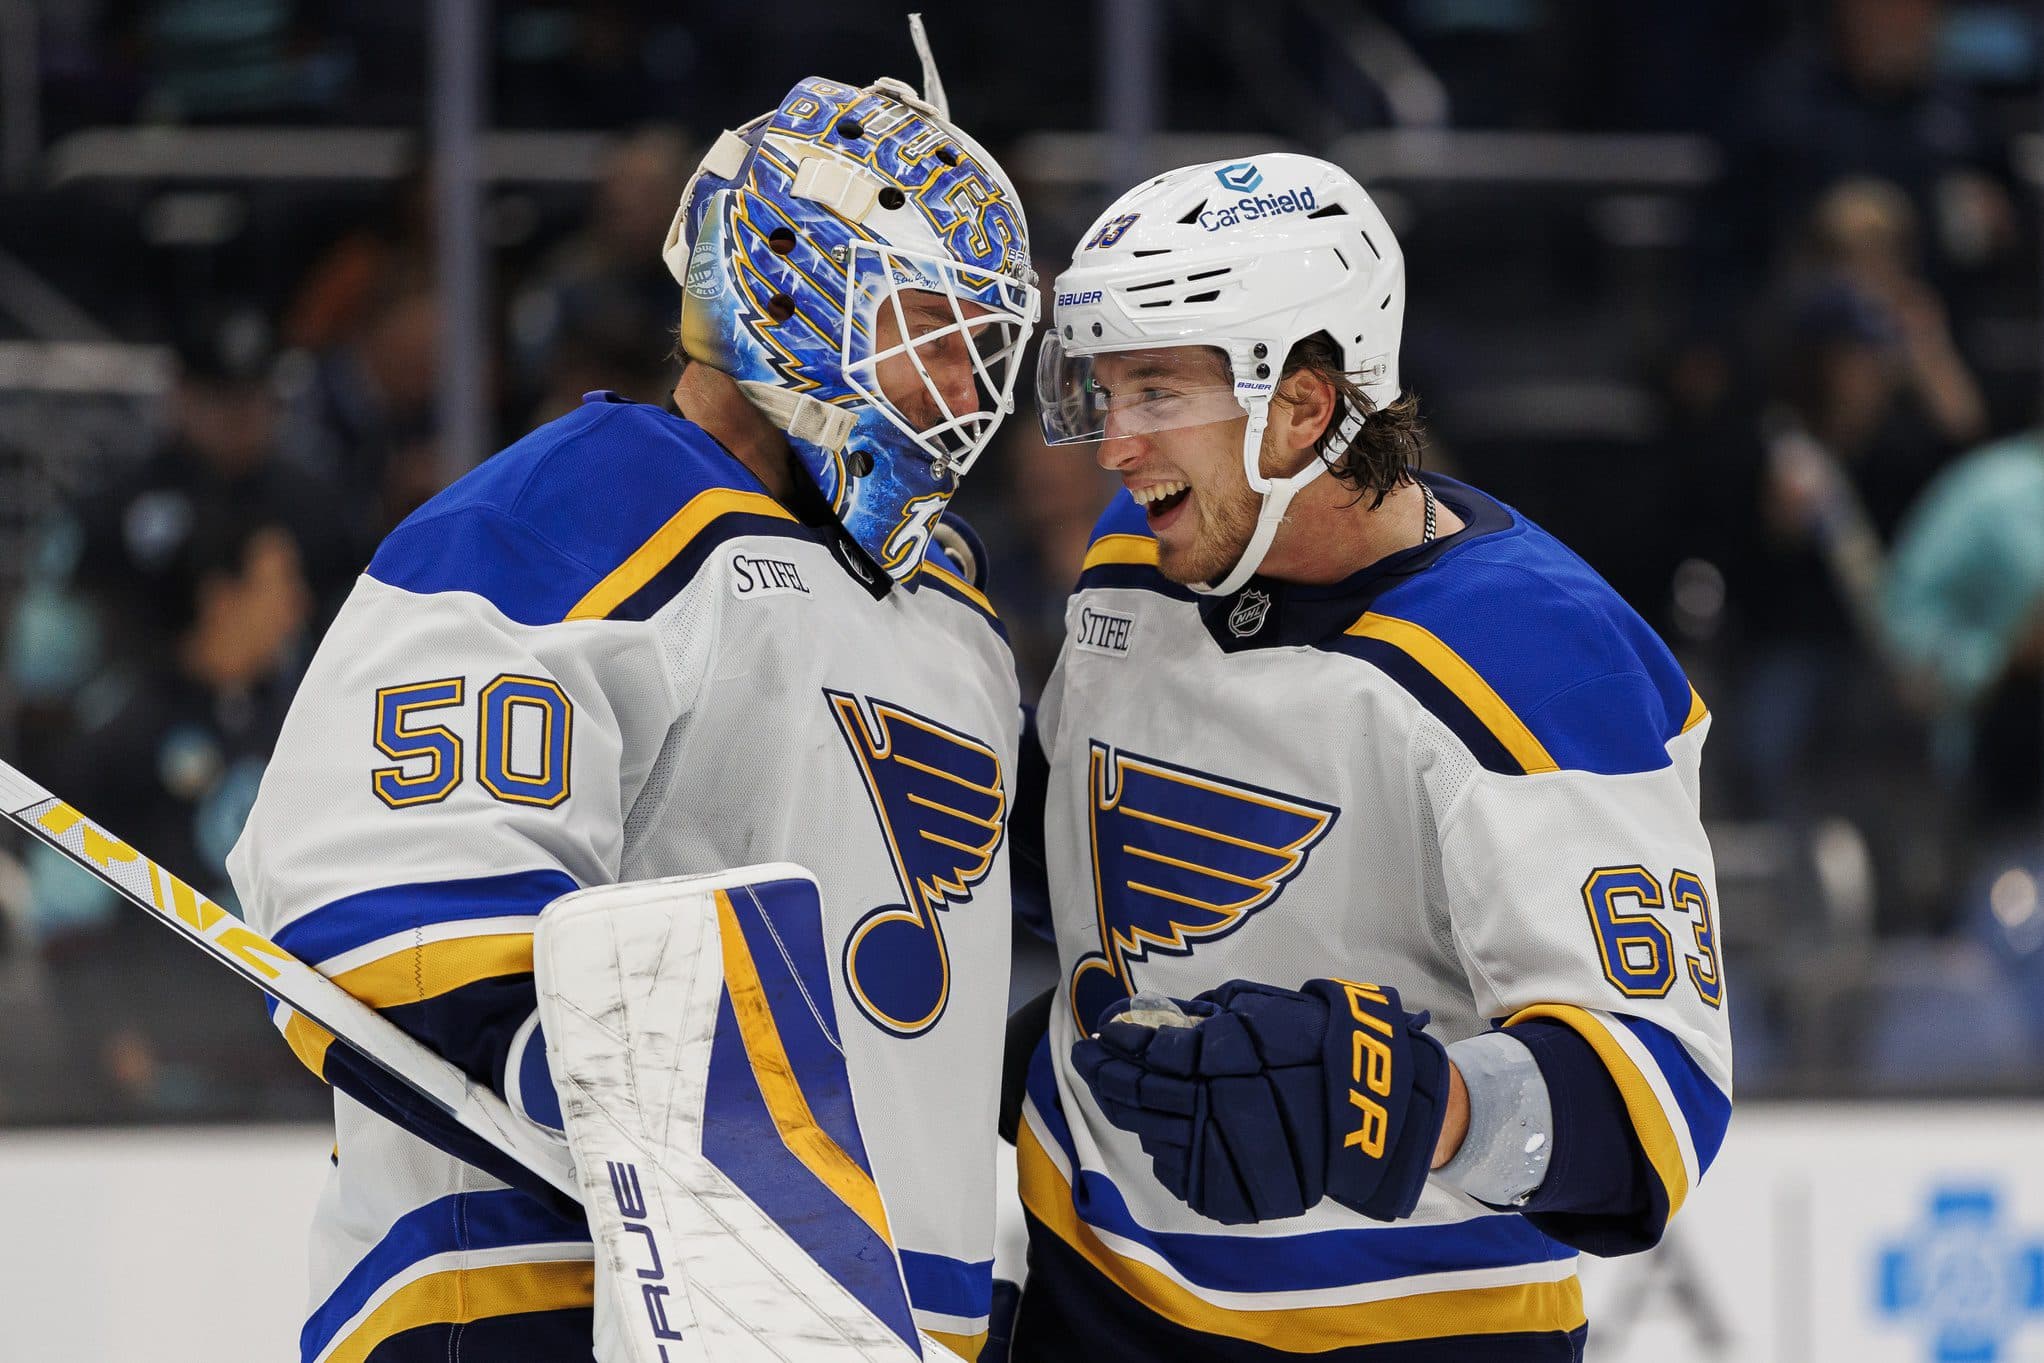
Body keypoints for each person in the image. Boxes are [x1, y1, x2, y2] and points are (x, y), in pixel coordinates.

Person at [229, 68, 1039, 1362]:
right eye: (927, 328)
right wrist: (587, 1070)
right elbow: (379, 876)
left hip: (874, 1322)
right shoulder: (575, 510)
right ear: (787, 296)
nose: (963, 384)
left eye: (981, 345)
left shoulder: (953, 609)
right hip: (548, 1296)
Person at [1008, 154, 1732, 1360]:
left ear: (1301, 405)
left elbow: (1657, 1103)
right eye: (1103, 390)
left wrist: (1416, 1104)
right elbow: (1083, 857)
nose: (1114, 449)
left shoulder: (1542, 659)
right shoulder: (1137, 560)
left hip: (1405, 1329)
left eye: (1154, 391)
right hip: (1090, 1297)